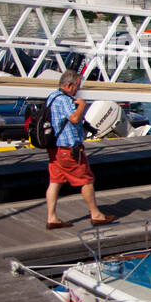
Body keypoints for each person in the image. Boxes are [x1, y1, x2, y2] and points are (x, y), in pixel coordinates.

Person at [44, 68, 113, 230]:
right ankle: (96, 214)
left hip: (55, 148)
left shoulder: (52, 96)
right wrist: (82, 105)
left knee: (55, 181)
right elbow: (74, 118)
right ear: (69, 85)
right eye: (77, 87)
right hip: (68, 149)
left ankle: (51, 217)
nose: (78, 91)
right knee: (86, 180)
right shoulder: (66, 100)